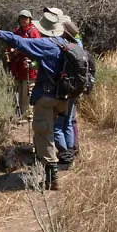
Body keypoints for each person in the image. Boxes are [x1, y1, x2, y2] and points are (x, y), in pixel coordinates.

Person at [0, 13, 80, 190]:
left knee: (44, 135)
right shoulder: (66, 45)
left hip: (46, 98)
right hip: (63, 98)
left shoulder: (46, 44)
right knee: (53, 130)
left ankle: (52, 179)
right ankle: (57, 165)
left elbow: (18, 41)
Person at [43, 8, 84, 164]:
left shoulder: (65, 46)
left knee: (60, 124)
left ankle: (67, 156)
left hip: (66, 89)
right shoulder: (77, 45)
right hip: (75, 87)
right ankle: (72, 151)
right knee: (69, 121)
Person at [7, 10, 42, 122]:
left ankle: (28, 116)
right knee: (19, 92)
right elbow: (11, 44)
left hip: (30, 70)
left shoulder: (34, 32)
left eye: (25, 18)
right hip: (17, 69)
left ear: (30, 19)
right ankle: (20, 115)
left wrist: (20, 51)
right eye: (21, 18)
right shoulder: (17, 31)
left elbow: (37, 49)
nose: (23, 20)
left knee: (28, 93)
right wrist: (10, 52)